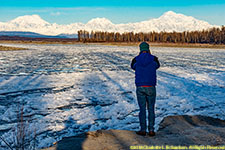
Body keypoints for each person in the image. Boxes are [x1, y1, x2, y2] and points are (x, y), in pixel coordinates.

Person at [131, 42, 160, 136]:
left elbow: (133, 67)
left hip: (140, 87)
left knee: (142, 109)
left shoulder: (135, 59)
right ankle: (151, 130)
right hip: (151, 87)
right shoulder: (154, 59)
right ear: (148, 49)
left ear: (140, 49)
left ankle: (143, 130)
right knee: (151, 109)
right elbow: (157, 66)